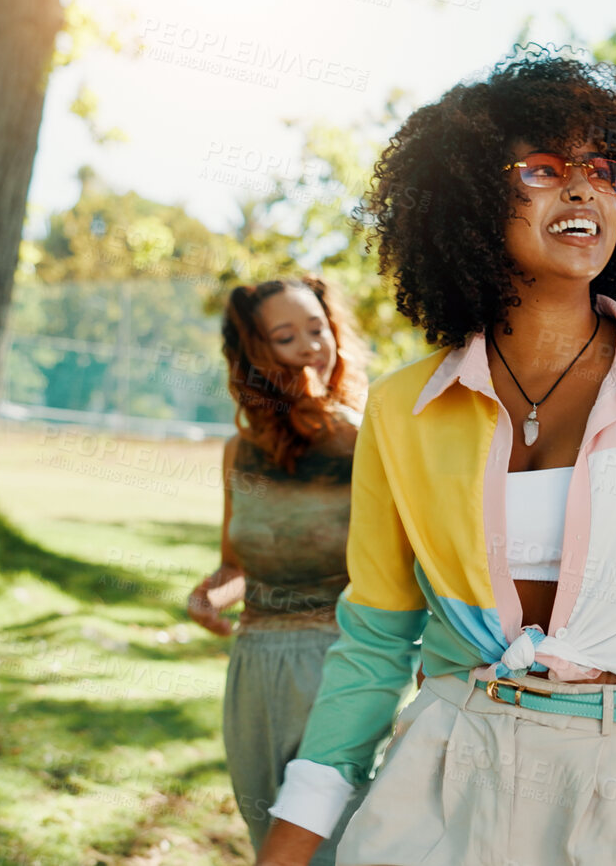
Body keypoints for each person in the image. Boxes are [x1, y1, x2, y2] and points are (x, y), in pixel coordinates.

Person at [255, 54, 616, 866]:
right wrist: (290, 842)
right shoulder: (406, 410)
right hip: (440, 777)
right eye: (543, 168)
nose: (581, 188)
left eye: (602, 168)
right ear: (468, 201)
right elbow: (375, 640)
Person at [188, 275, 374, 864]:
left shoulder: (367, 441)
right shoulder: (237, 452)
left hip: (339, 665)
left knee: (331, 845)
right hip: (254, 670)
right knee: (266, 837)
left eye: (317, 329)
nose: (310, 346)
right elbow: (234, 567)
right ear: (255, 354)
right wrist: (209, 598)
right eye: (286, 336)